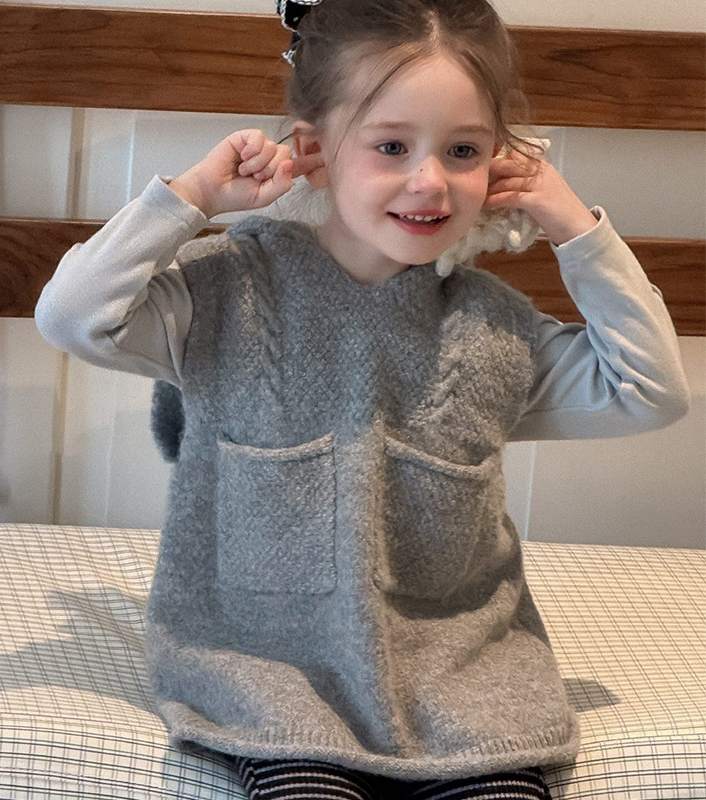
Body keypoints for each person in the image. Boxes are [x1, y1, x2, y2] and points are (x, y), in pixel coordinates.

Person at [35, 0, 690, 797]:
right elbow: (73, 314)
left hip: (465, 688)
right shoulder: (226, 297)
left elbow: (650, 389)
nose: (430, 180)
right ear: (313, 150)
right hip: (273, 683)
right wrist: (193, 196)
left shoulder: (494, 333)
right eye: (391, 146)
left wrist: (574, 228)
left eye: (463, 150)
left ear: (503, 163)